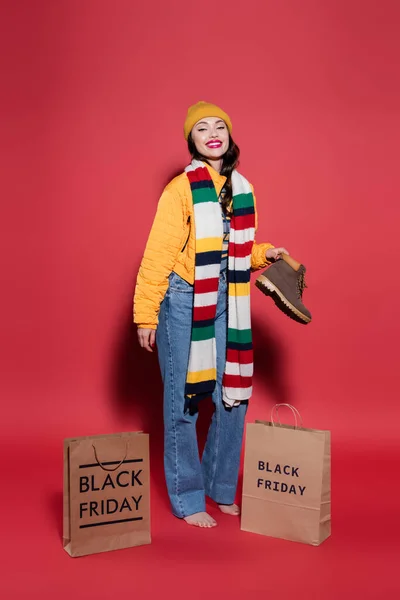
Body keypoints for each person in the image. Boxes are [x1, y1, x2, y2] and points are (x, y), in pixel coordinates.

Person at [133, 101, 288, 528]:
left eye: (219, 126)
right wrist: (146, 314)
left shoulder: (241, 187)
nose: (213, 133)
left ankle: (220, 488)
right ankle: (187, 497)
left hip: (228, 298)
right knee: (183, 400)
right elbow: (159, 254)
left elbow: (232, 249)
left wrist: (265, 254)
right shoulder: (180, 189)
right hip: (184, 299)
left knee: (233, 394)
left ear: (229, 136)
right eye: (202, 128)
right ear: (192, 140)